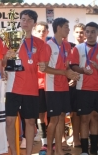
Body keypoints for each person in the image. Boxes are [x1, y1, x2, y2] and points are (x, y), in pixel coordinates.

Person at [3, 9, 47, 155]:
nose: (25, 22)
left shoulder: (40, 44)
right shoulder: (11, 39)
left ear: (34, 23)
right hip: (13, 87)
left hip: (31, 88)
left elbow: (43, 65)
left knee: (29, 122)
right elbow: (2, 63)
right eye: (23, 19)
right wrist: (7, 57)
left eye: (29, 20)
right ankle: (14, 153)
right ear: (19, 21)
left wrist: (43, 66)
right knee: (9, 121)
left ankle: (28, 153)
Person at [69, 22, 98, 155]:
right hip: (83, 88)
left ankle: (94, 148)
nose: (89, 34)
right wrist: (83, 70)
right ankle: (84, 150)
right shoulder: (78, 48)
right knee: (84, 118)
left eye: (93, 32)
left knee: (95, 117)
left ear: (97, 33)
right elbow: (73, 66)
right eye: (87, 31)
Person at [40, 17, 80, 155]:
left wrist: (72, 76)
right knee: (54, 119)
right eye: (66, 27)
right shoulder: (48, 45)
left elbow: (67, 65)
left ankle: (59, 150)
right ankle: (50, 150)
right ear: (58, 28)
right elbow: (44, 68)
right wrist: (64, 72)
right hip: (52, 87)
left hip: (64, 86)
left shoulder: (67, 45)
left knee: (62, 117)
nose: (68, 30)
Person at [21, 21, 49, 150]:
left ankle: (48, 141)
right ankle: (39, 140)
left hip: (48, 86)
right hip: (34, 86)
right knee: (36, 116)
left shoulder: (48, 46)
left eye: (44, 31)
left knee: (48, 115)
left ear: (47, 32)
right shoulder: (26, 43)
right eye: (39, 31)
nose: (41, 33)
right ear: (34, 30)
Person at [69, 23, 85, 148]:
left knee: (84, 113)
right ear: (74, 33)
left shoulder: (88, 48)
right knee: (74, 112)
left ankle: (84, 136)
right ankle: (75, 138)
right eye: (78, 32)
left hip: (86, 84)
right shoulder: (69, 47)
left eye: (82, 32)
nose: (80, 34)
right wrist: (71, 78)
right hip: (72, 84)